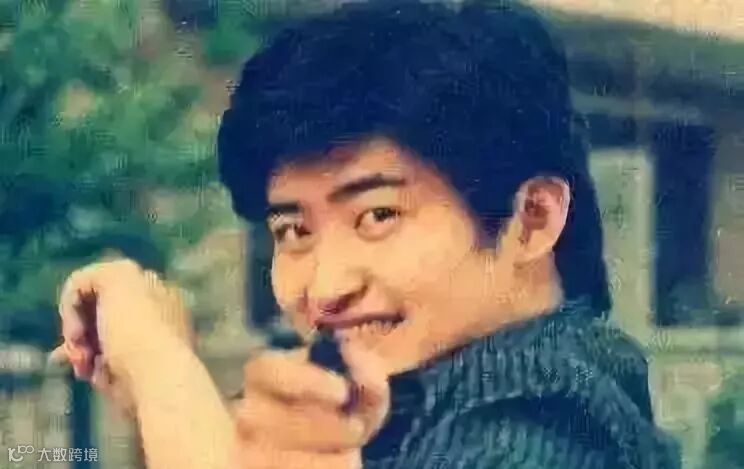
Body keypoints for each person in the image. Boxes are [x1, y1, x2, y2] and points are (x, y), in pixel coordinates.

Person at [52, 1, 681, 468]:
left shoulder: (535, 417)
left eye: (378, 216)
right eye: (294, 230)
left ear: (533, 218)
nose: (326, 288)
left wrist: (162, 372)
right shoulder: (428, 391)